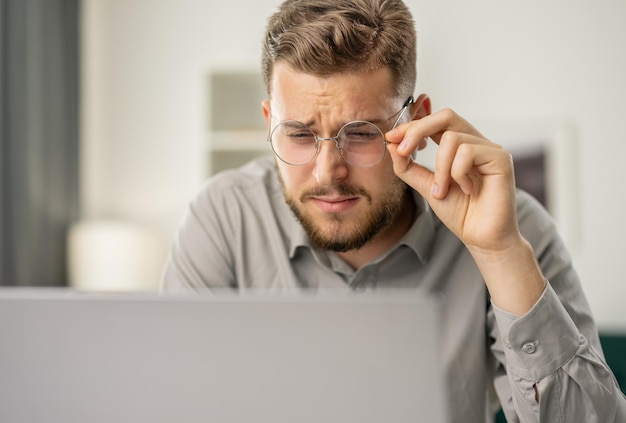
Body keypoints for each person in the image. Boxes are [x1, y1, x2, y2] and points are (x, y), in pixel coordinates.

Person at [161, 0, 626, 421]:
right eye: (299, 134)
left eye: (360, 133)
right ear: (269, 123)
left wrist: (501, 253)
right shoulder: (223, 217)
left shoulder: (513, 228)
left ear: (415, 121)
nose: (327, 172)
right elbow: (171, 404)